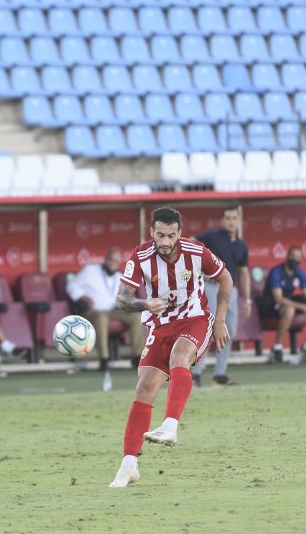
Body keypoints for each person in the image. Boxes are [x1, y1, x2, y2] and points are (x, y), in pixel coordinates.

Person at [108, 207, 232, 488]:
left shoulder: (196, 252)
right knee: (144, 387)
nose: (165, 241)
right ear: (151, 232)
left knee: (180, 355)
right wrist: (144, 303)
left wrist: (220, 320)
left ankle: (171, 426)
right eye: (160, 235)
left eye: (171, 235)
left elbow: (225, 278)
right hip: (160, 325)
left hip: (195, 319)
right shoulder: (139, 256)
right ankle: (128, 465)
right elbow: (122, 300)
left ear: (180, 233)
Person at [66, 246, 145, 392]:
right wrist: (82, 297)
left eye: (116, 262)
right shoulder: (90, 271)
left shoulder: (119, 277)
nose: (112, 264)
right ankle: (104, 359)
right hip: (91, 312)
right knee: (102, 317)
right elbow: (71, 286)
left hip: (112, 310)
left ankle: (136, 357)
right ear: (106, 259)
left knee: (136, 316)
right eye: (111, 260)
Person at [193, 205, 251, 387]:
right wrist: (199, 271)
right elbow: (189, 244)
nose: (231, 221)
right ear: (222, 220)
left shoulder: (242, 246)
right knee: (209, 330)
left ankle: (219, 375)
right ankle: (195, 374)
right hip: (211, 287)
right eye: (228, 218)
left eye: (234, 218)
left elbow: (243, 273)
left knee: (229, 331)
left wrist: (247, 299)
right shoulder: (212, 237)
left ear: (239, 220)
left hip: (230, 291)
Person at [264, 246, 306, 364]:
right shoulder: (276, 272)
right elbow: (278, 298)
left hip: (291, 304)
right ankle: (276, 348)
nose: (295, 259)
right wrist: (302, 307)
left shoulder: (300, 273)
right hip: (272, 306)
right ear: (287, 257)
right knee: (289, 310)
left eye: (298, 257)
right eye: (292, 256)